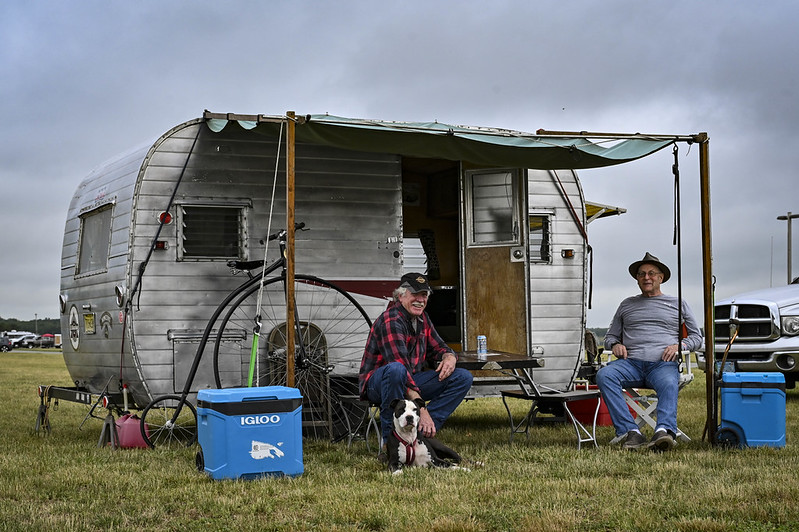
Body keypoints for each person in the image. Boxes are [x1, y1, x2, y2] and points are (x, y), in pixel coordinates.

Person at [596, 252, 703, 451]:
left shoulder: (677, 303)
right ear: (637, 279)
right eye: (642, 274)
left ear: (661, 278)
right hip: (630, 364)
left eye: (652, 273)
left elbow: (697, 338)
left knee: (670, 382)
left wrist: (680, 346)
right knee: (604, 375)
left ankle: (663, 431)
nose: (647, 277)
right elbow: (611, 337)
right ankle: (631, 432)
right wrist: (615, 345)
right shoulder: (626, 305)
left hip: (662, 365)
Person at [359, 272, 473, 451]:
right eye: (415, 294)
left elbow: (439, 347)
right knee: (396, 370)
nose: (420, 300)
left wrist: (449, 356)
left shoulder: (422, 318)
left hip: (410, 379)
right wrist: (422, 409)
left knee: (463, 377)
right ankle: (390, 443)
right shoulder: (391, 320)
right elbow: (401, 369)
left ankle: (422, 432)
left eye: (424, 295)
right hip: (379, 384)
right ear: (400, 295)